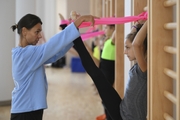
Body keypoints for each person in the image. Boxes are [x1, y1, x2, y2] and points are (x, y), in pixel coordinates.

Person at [10, 13, 98, 120]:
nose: (40, 36)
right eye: (37, 32)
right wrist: (78, 22)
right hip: (25, 112)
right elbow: (51, 45)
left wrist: (73, 30)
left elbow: (55, 53)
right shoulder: (25, 54)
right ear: (24, 31)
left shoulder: (27, 54)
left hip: (29, 109)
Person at [72, 19, 147, 120]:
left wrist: (150, 18)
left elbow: (136, 44)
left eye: (127, 48)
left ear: (141, 48)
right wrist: (135, 27)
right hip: (121, 108)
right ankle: (74, 36)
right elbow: (133, 42)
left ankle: (74, 36)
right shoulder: (140, 65)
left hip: (124, 117)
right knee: (96, 74)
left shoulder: (144, 68)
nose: (125, 52)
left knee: (95, 74)